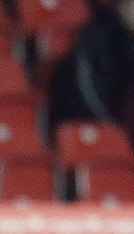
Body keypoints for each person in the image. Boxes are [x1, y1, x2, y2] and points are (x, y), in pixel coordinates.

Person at [48, 0, 134, 140]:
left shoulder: (127, 40)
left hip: (117, 120)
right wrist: (108, 122)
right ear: (122, 8)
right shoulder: (95, 34)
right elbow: (85, 86)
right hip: (81, 117)